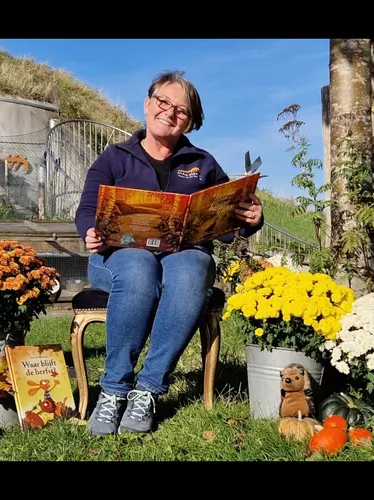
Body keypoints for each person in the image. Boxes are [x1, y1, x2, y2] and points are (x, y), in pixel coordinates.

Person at [74, 70, 264, 436]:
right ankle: (114, 391)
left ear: (191, 121)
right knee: (139, 266)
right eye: (164, 102)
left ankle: (147, 389)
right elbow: (86, 210)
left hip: (182, 254)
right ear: (147, 104)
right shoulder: (115, 158)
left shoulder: (203, 163)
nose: (171, 113)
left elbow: (229, 223)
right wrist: (90, 231)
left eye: (182, 110)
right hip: (117, 255)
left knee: (194, 266)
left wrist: (250, 219)